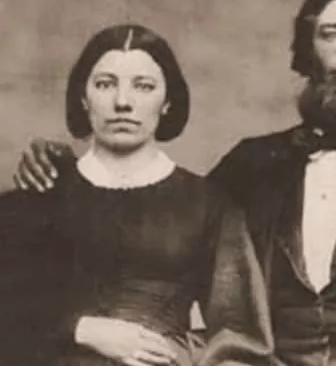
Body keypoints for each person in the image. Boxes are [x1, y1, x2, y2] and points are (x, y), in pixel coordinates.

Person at [14, 0, 336, 366]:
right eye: (331, 33)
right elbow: (157, 224)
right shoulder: (253, 164)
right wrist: (64, 171)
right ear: (309, 49)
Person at [0, 24, 273, 366]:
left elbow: (239, 336)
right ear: (83, 98)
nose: (123, 102)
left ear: (167, 101)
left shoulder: (209, 205)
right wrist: (82, 329)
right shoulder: (35, 198)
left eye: (143, 86)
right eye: (105, 84)